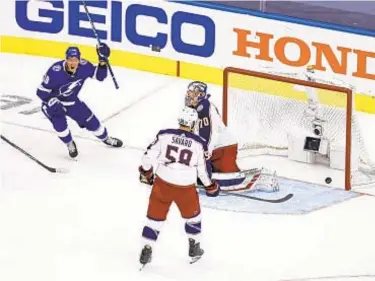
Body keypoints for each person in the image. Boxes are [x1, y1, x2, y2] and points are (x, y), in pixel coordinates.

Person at [138, 106, 220, 266]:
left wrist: (147, 173)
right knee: (194, 218)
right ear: (193, 124)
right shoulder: (199, 143)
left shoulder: (164, 135)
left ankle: (146, 248)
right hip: (185, 188)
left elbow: (147, 158)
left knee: (154, 218)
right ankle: (194, 248)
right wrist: (211, 186)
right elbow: (202, 172)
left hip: (162, 182)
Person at [185, 81, 279, 193]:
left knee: (227, 180)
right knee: (203, 174)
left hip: (223, 147)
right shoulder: (192, 110)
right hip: (212, 148)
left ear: (199, 94)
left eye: (191, 92)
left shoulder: (207, 107)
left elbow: (213, 132)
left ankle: (261, 177)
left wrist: (207, 152)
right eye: (188, 92)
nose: (188, 95)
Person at [36, 44, 123, 158]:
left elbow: (100, 76)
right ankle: (69, 143)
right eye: (70, 60)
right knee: (60, 125)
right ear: (66, 59)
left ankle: (106, 139)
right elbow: (41, 91)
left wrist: (102, 61)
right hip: (53, 103)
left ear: (79, 59)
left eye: (75, 60)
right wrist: (51, 100)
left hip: (72, 101)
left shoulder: (84, 66)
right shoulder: (55, 71)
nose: (73, 63)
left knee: (93, 123)